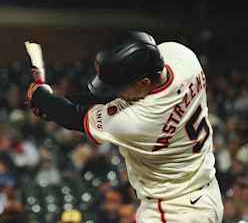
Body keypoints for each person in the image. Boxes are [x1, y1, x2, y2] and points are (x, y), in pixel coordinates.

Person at [25, 31, 224, 222]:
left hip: (173, 210)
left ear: (144, 83)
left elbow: (72, 116)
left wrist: (39, 95)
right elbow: (103, 97)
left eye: (120, 87)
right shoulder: (183, 57)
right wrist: (54, 102)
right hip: (206, 192)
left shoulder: (136, 122)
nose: (117, 93)